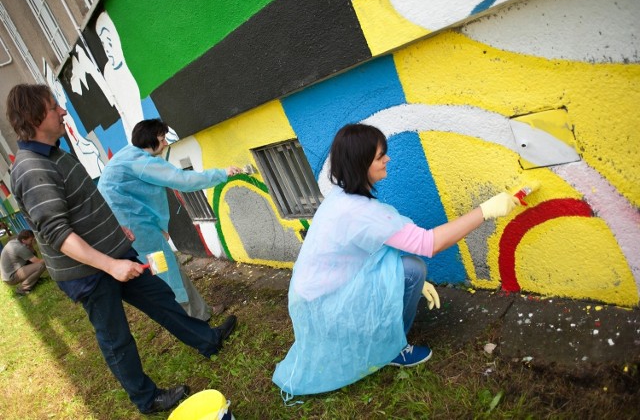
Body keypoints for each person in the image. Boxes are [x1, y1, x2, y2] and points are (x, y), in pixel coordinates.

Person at [6, 84, 237, 414]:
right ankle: (147, 399)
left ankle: (207, 340)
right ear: (35, 115)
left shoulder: (55, 153)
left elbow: (82, 206)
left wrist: (116, 230)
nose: (63, 111)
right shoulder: (32, 168)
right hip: (89, 272)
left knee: (161, 299)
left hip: (113, 252)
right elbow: (57, 233)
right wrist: (111, 266)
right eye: (54, 106)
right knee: (116, 337)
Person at [272, 123, 520, 397]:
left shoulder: (339, 198)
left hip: (314, 297)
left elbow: (372, 247)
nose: (387, 159)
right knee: (413, 270)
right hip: (331, 304)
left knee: (406, 269)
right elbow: (429, 243)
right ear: (360, 162)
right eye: (380, 156)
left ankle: (379, 336)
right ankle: (390, 348)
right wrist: (485, 211)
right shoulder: (361, 212)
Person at [98, 118, 242, 321]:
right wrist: (222, 173)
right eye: (162, 138)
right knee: (166, 272)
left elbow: (140, 199)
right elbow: (183, 180)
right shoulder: (143, 162)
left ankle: (199, 312)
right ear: (151, 138)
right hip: (137, 228)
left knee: (165, 268)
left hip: (131, 226)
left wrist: (157, 227)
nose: (165, 143)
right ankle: (191, 318)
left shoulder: (127, 156)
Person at [1, 229, 47, 295]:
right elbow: (38, 261)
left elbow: (33, 253)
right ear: (23, 240)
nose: (33, 241)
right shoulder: (20, 248)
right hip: (11, 277)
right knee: (40, 266)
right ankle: (23, 289)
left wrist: (30, 245)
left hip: (10, 274)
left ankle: (35, 280)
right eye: (31, 240)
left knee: (33, 260)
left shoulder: (16, 242)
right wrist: (51, 259)